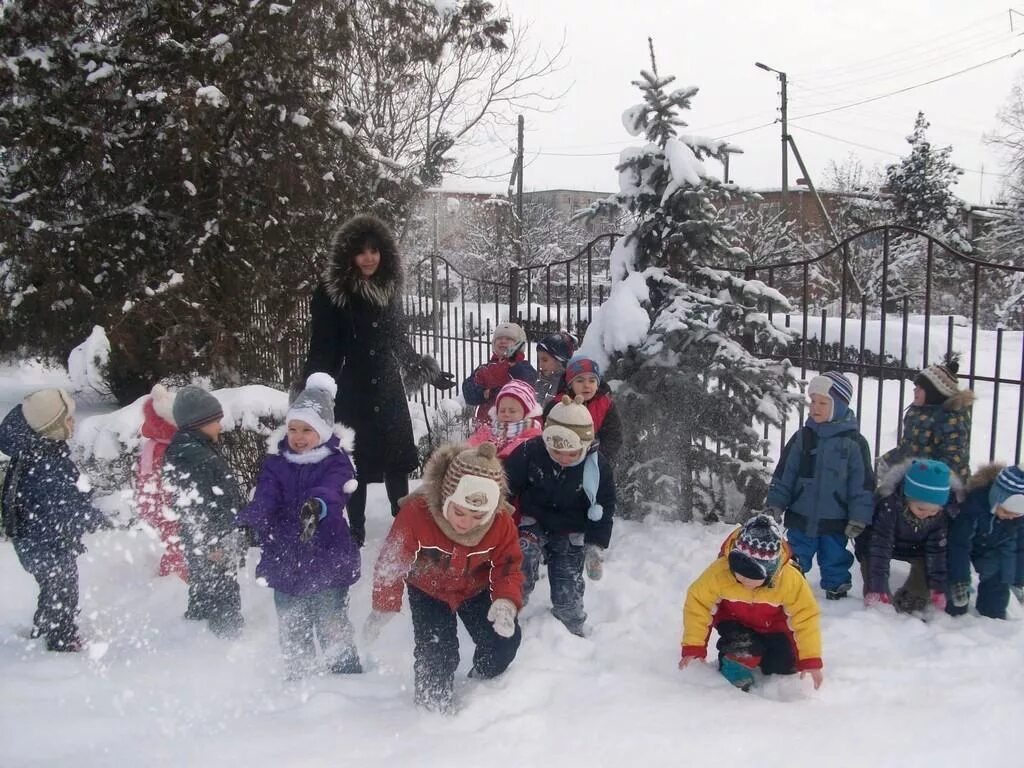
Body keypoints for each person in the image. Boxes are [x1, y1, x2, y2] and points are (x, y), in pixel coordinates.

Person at [302, 214, 455, 541]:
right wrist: (314, 389)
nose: (369, 258)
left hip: (387, 387)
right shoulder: (331, 295)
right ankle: (355, 527)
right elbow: (323, 348)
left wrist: (428, 372)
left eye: (374, 250)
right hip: (351, 389)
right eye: (361, 251)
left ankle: (403, 521)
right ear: (349, 256)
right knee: (353, 461)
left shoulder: (389, 289)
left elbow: (399, 340)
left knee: (396, 460)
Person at [364, 442, 523, 714]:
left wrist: (506, 601)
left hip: (474, 587)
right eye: (458, 511)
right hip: (429, 590)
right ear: (445, 496)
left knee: (503, 642)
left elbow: (508, 563)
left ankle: (481, 685)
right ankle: (432, 709)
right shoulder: (417, 512)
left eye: (477, 516)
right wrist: (384, 605)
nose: (465, 522)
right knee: (438, 652)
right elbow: (393, 559)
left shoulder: (500, 522)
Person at [237, 373, 362, 678]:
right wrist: (249, 523)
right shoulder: (277, 462)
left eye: (307, 429)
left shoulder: (336, 461)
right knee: (292, 625)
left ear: (322, 430)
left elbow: (334, 491)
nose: (299, 436)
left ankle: (346, 676)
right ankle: (299, 677)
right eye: (293, 428)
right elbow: (265, 495)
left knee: (331, 622)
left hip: (326, 557)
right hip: (285, 556)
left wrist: (316, 506)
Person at [0, 389, 107, 652]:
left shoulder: (39, 451)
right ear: (51, 427)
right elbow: (64, 509)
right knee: (62, 591)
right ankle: (61, 641)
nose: (73, 423)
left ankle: (43, 627)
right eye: (68, 420)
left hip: (37, 541)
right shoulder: (45, 464)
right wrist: (97, 516)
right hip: (46, 544)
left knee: (53, 589)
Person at [505, 395, 615, 637]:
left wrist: (595, 544)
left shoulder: (596, 467)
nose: (564, 459)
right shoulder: (530, 452)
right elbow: (506, 482)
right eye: (557, 451)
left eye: (572, 454)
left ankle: (571, 625)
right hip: (533, 522)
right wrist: (502, 509)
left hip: (571, 528)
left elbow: (604, 505)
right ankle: (508, 608)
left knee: (567, 581)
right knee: (522, 558)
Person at [679, 515, 823, 692]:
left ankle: (766, 656)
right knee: (742, 649)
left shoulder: (789, 580)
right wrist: (694, 646)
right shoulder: (720, 572)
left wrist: (810, 659)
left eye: (751, 577)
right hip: (735, 622)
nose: (741, 580)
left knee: (783, 665)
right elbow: (698, 605)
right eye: (738, 573)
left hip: (774, 627)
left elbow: (806, 617)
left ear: (769, 572)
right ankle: (733, 662)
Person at [765, 372, 874, 600]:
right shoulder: (803, 438)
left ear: (841, 406)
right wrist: (776, 503)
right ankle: (790, 581)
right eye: (813, 401)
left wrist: (859, 516)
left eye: (823, 402)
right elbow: (786, 473)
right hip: (800, 513)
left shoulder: (854, 443)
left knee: (834, 554)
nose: (815, 407)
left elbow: (861, 484)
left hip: (835, 516)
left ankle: (837, 586)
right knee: (795, 552)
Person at [164, 385, 246, 638]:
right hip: (213, 538)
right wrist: (213, 543)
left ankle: (197, 626)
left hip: (202, 537)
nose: (221, 426)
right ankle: (227, 636)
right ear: (200, 422)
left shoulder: (192, 448)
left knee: (204, 585)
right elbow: (199, 505)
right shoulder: (196, 457)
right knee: (223, 588)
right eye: (216, 421)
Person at [856, 459, 958, 614]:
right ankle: (879, 600)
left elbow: (937, 552)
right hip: (878, 545)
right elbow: (880, 547)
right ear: (908, 498)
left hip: (917, 549)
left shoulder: (940, 517)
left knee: (923, 576)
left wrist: (937, 587)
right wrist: (878, 588)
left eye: (933, 511)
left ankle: (909, 600)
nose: (926, 515)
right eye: (921, 509)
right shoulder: (890, 505)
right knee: (873, 570)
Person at [878, 358, 975, 484]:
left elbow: (953, 461)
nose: (915, 390)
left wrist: (920, 473)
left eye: (920, 388)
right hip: (914, 478)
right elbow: (908, 447)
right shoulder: (916, 412)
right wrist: (889, 460)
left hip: (943, 487)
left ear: (934, 393)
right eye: (915, 386)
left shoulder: (952, 420)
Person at [946, 464, 1024, 619]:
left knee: (998, 579)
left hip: (992, 551)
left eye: (1016, 515)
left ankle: (992, 615)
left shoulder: (1016, 517)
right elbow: (959, 544)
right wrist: (960, 579)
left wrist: (1016, 580)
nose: (1010, 517)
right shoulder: (973, 506)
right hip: (965, 548)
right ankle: (953, 616)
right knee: (956, 588)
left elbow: (1019, 548)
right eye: (1006, 511)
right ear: (996, 499)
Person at [135, 384, 188, 581]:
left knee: (174, 539)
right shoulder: (162, 449)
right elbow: (153, 480)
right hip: (169, 503)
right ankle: (176, 575)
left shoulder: (155, 447)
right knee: (176, 540)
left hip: (168, 503)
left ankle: (175, 569)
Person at [541, 355, 622, 461]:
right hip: (562, 457)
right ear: (570, 384)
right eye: (580, 381)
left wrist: (598, 455)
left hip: (594, 459)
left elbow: (613, 436)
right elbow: (545, 432)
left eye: (592, 381)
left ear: (597, 385)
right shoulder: (558, 404)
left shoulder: (605, 404)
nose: (587, 385)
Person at [462, 322, 537, 424]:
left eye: (509, 339)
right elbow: (469, 392)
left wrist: (513, 364)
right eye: (499, 338)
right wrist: (484, 393)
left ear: (519, 344)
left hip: (514, 426)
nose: (503, 341)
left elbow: (528, 383)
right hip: (486, 425)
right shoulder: (485, 368)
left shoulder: (523, 367)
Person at [466, 379, 543, 459]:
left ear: (526, 413)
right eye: (502, 411)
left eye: (512, 411)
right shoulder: (489, 432)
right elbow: (470, 447)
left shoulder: (531, 435)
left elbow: (517, 451)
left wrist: (498, 458)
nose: (506, 414)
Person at [534, 331, 576, 405]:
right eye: (539, 360)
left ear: (560, 361)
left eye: (545, 360)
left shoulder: (567, 388)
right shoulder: (541, 381)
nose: (540, 365)